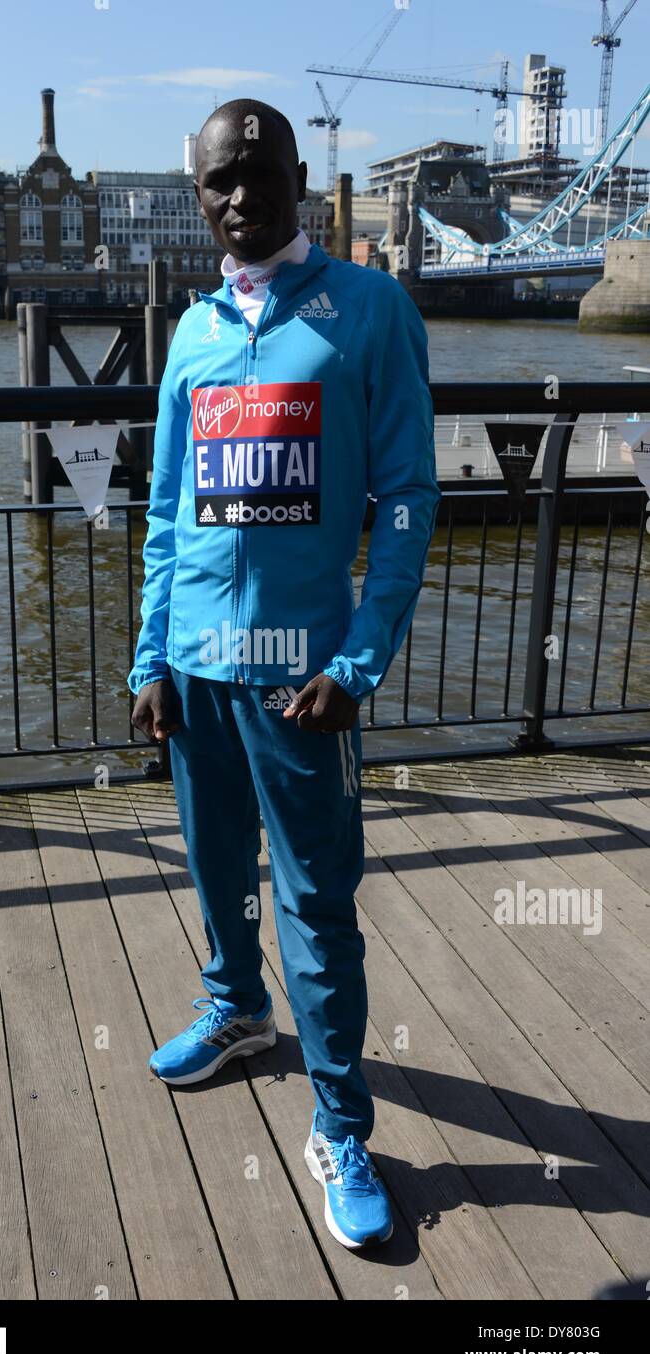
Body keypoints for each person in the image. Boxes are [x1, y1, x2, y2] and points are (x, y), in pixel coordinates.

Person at [128, 98, 440, 1251]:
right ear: (197, 193)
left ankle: (343, 1124)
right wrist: (149, 656)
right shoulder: (196, 330)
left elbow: (408, 497)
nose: (240, 198)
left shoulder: (369, 311)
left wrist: (359, 662)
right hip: (199, 673)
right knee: (215, 865)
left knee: (316, 902)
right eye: (219, 181)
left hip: (303, 679)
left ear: (300, 178)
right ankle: (237, 1008)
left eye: (260, 176)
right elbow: (168, 509)